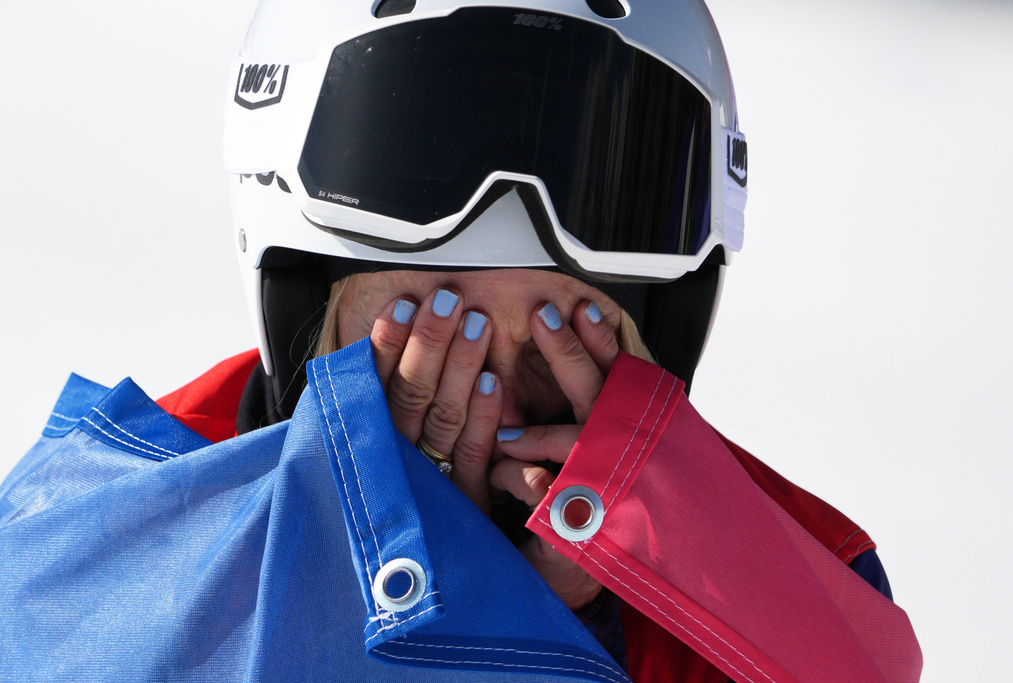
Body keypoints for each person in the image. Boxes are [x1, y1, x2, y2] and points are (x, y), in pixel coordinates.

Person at [0, 0, 922, 681]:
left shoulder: (795, 603)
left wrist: (584, 618)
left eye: (549, 355)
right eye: (431, 341)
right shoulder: (97, 541)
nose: (486, 408)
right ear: (302, 301)